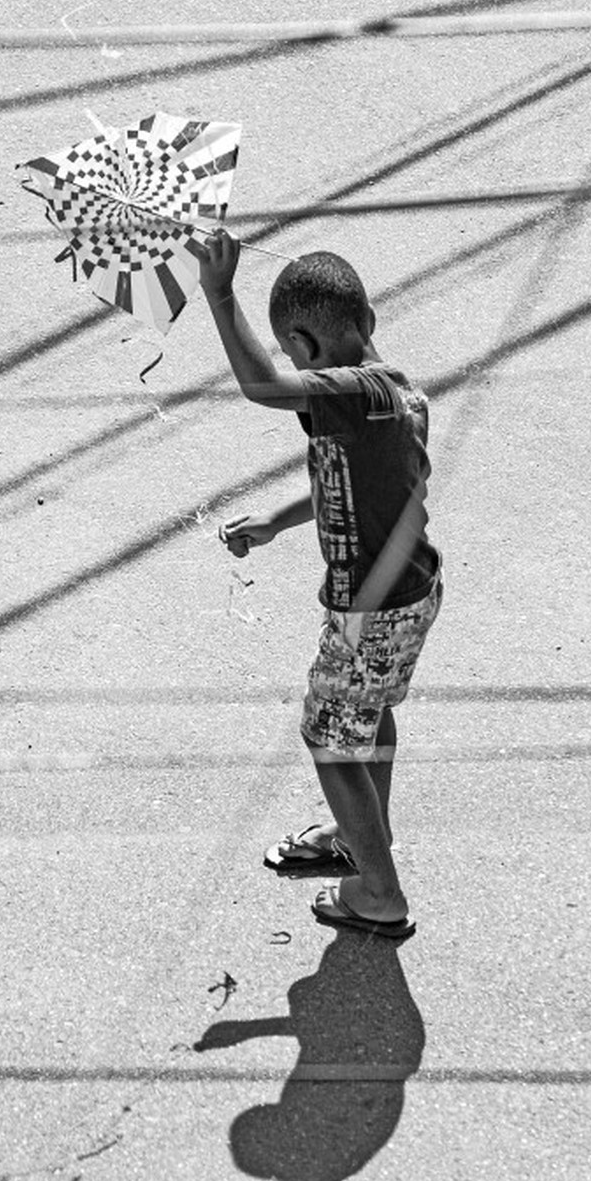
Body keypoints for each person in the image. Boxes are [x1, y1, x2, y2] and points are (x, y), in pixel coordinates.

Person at [199, 229, 442, 939]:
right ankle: (364, 837)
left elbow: (259, 386)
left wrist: (219, 293)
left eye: (291, 354)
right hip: (408, 594)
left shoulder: (351, 393)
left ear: (306, 349)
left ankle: (378, 892)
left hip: (371, 608)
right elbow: (364, 484)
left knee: (329, 738)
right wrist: (277, 521)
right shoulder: (396, 395)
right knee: (366, 718)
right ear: (366, 320)